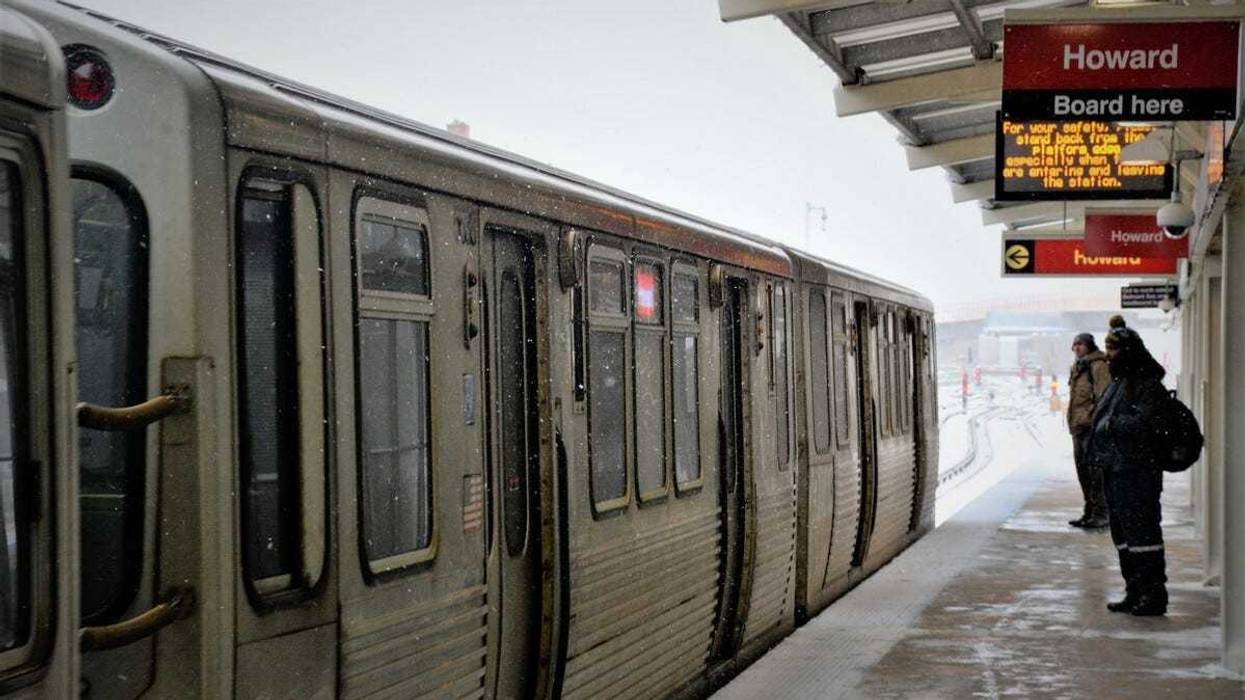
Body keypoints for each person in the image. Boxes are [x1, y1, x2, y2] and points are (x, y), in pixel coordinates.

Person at [1088, 326, 1170, 616]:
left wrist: (1112, 424)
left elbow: (1147, 424)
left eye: (1112, 350)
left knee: (1143, 536)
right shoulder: (1120, 382)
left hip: (1137, 473)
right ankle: (1134, 590)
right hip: (1115, 471)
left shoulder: (1147, 385)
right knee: (1123, 535)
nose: (1108, 356)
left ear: (1128, 351)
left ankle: (1153, 595)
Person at [1066, 333, 1111, 529]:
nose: (1076, 348)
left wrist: (1095, 420)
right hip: (1078, 427)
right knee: (1083, 472)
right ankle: (1089, 511)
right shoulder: (1078, 367)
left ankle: (1101, 513)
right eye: (1074, 344)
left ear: (1089, 346)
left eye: (1080, 344)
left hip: (1091, 428)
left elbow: (1103, 396)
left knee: (1095, 473)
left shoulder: (1098, 366)